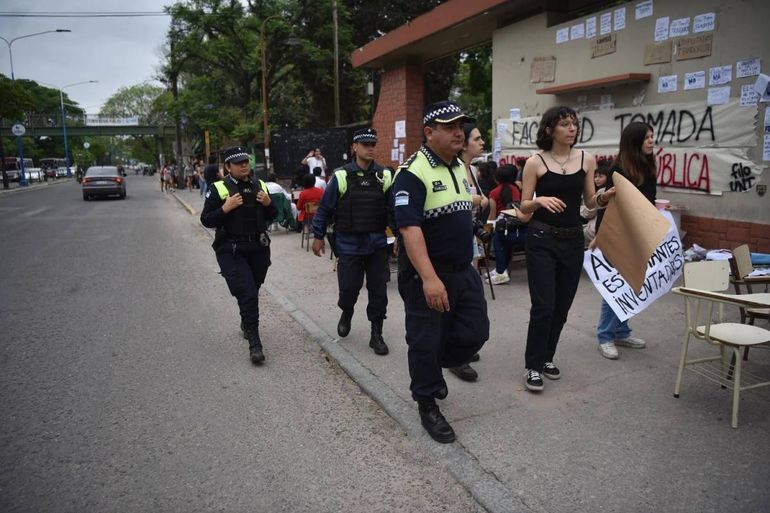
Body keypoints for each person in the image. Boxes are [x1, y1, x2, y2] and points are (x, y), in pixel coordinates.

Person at [393, 100, 489, 443]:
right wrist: (430, 280)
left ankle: (437, 363)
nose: (458, 132)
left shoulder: (458, 168)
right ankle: (427, 401)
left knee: (476, 331)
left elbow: (459, 214)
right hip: (428, 275)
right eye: (450, 127)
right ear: (429, 132)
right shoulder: (411, 172)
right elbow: (409, 230)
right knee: (425, 339)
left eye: (460, 126)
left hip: (464, 270)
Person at [518, 106, 603, 392]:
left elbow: (590, 203)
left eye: (574, 124)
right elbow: (522, 210)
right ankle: (533, 364)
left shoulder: (586, 160)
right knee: (544, 305)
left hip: (572, 239)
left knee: (562, 307)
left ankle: (546, 358)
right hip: (541, 238)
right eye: (565, 124)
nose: (572, 129)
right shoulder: (535, 162)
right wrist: (540, 201)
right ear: (549, 129)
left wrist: (605, 197)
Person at [311, 128, 392, 356]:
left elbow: (394, 210)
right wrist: (318, 236)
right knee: (348, 289)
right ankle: (347, 311)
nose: (370, 148)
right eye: (365, 144)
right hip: (348, 244)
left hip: (376, 244)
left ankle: (376, 333)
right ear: (354, 147)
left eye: (373, 144)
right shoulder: (341, 176)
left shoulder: (384, 176)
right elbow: (324, 209)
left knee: (379, 290)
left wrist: (400, 237)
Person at [200, 147, 277, 364]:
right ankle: (255, 343)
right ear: (228, 167)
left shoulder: (260, 185)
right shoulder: (219, 189)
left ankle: (246, 321)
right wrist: (226, 208)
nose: (244, 165)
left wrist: (268, 204)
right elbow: (206, 220)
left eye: (246, 161)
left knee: (254, 288)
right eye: (238, 163)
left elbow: (273, 215)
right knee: (248, 293)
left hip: (259, 248)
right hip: (231, 249)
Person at [591, 122, 656, 360]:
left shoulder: (648, 165)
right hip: (617, 234)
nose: (651, 140)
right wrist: (600, 237)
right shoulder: (618, 169)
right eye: (647, 137)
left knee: (631, 283)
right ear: (635, 140)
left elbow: (648, 201)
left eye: (652, 136)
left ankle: (621, 330)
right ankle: (605, 336)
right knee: (616, 286)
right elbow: (609, 206)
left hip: (638, 234)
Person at [450, 122, 492, 382]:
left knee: (470, 293)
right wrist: (476, 200)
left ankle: (461, 345)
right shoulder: (453, 170)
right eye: (477, 138)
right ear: (463, 143)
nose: (482, 142)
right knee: (458, 296)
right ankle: (456, 355)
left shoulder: (474, 170)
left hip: (471, 238)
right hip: (455, 239)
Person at [487, 164, 530, 285]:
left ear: (496, 178)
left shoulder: (494, 193)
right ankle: (500, 270)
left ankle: (501, 272)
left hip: (505, 229)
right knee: (505, 240)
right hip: (521, 230)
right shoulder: (516, 189)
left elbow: (492, 215)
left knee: (497, 238)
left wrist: (487, 230)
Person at [580, 162, 609, 245]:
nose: (597, 179)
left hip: (594, 230)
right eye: (595, 177)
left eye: (600, 176)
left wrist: (580, 209)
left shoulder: (602, 192)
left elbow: (588, 212)